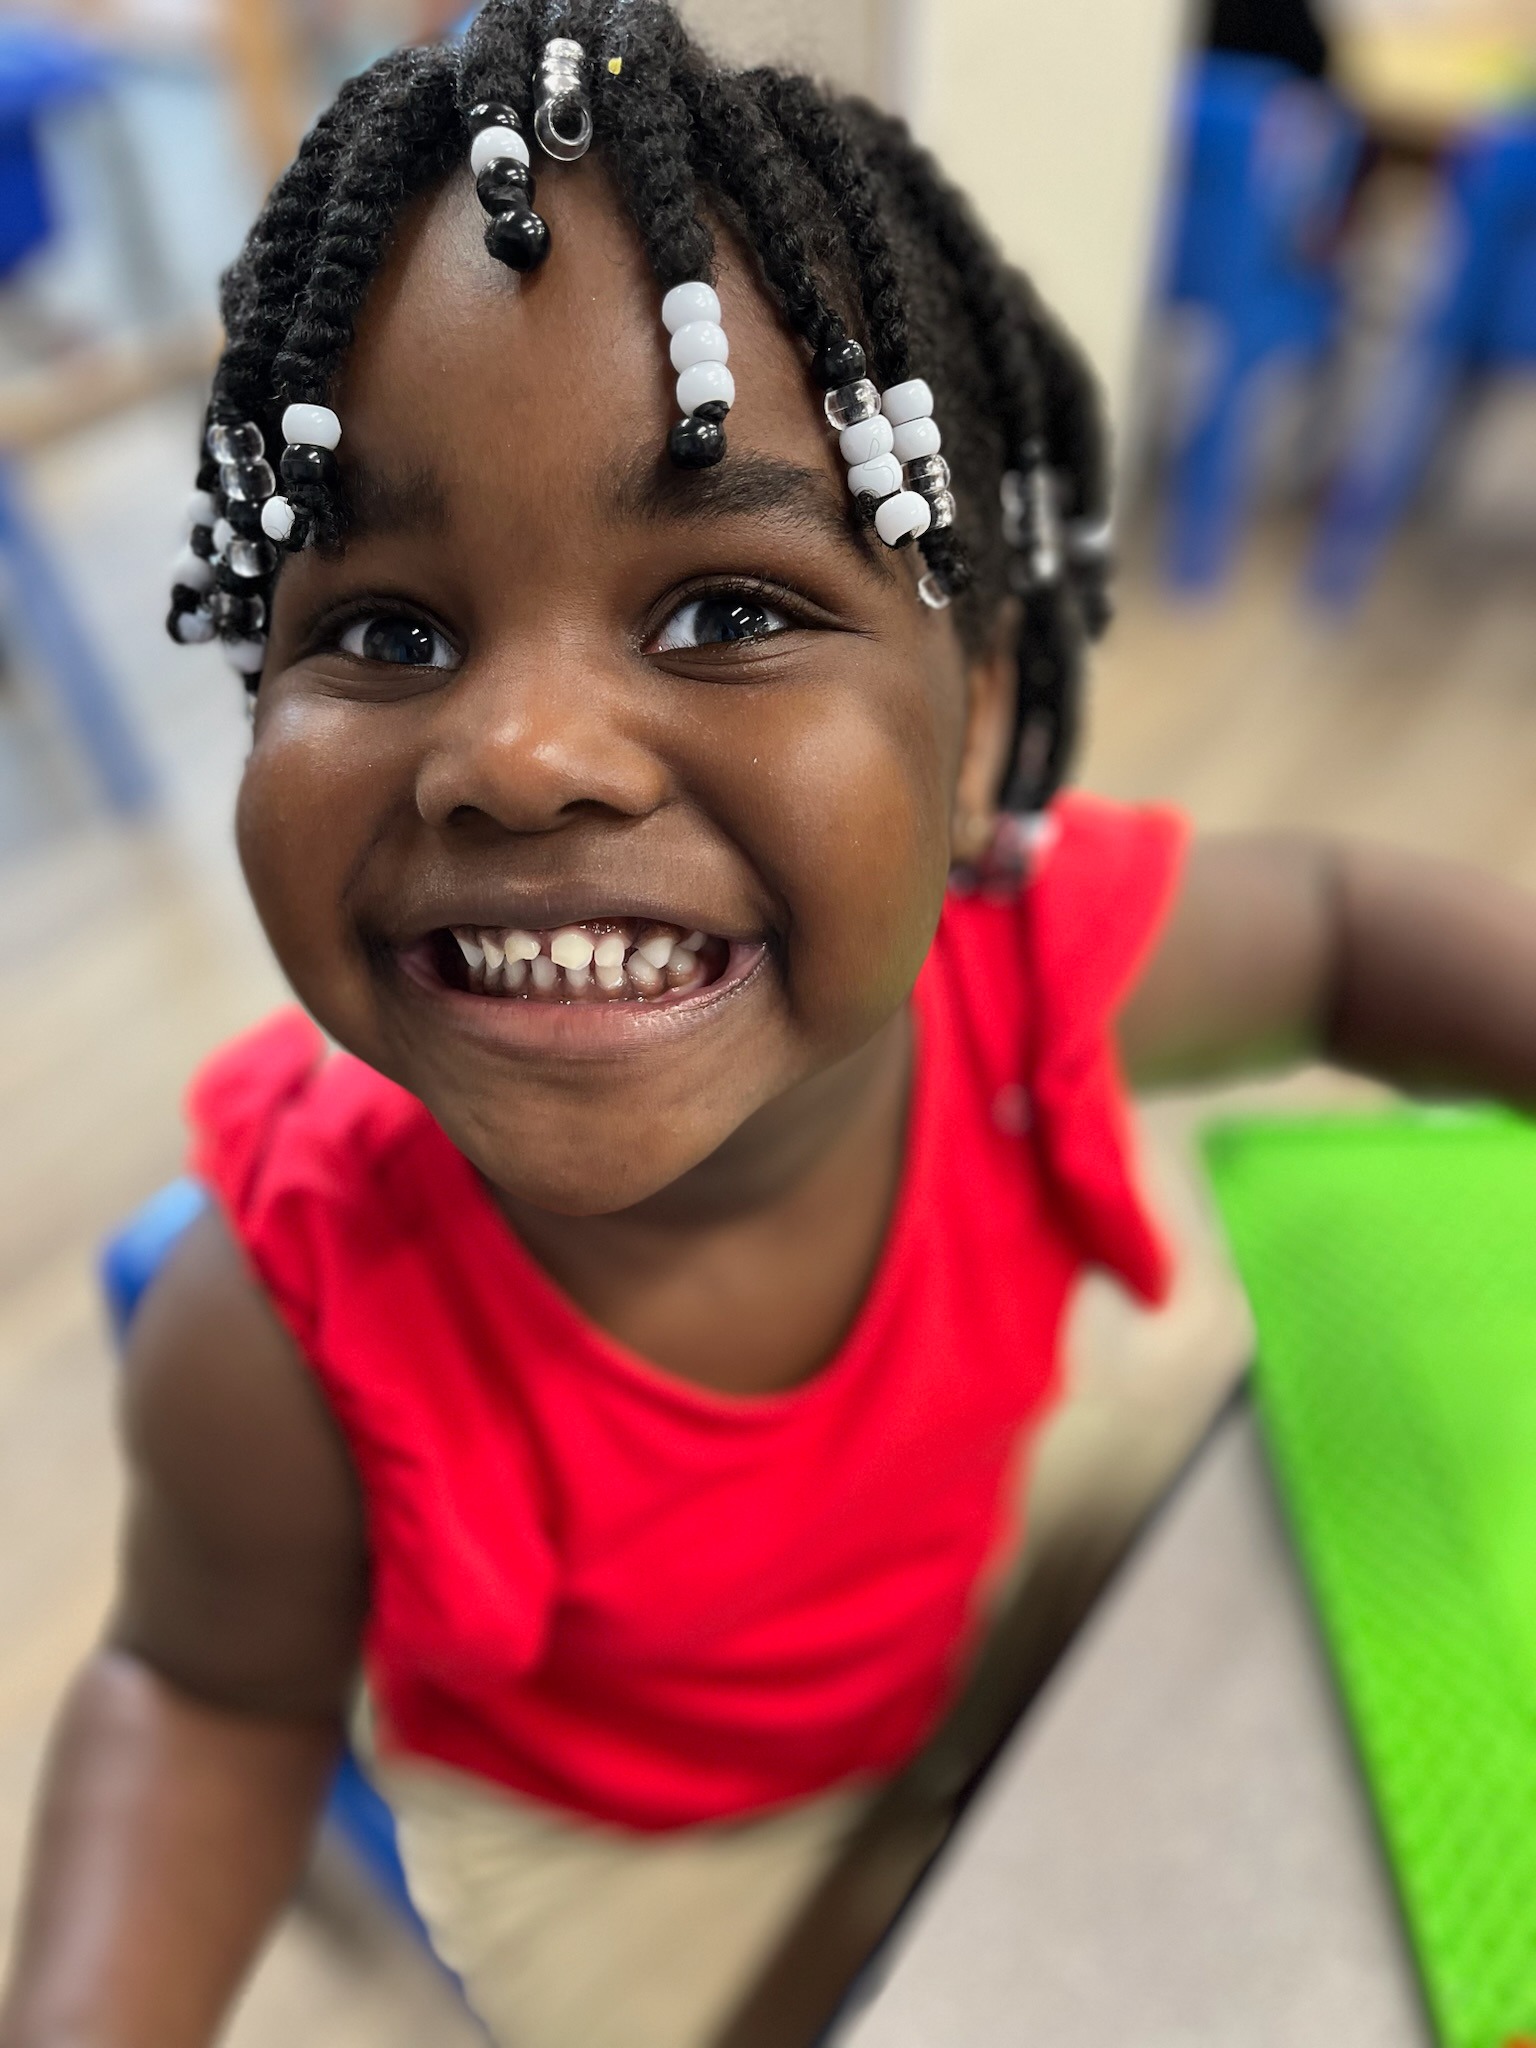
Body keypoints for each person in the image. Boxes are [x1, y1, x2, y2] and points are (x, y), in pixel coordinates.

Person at [4, 6, 1535, 2045]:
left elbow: (1346, 934)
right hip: (623, 1857)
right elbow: (204, 1700)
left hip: (958, 1632)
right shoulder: (278, 1325)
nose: (520, 754)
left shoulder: (1035, 965)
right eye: (382, 629)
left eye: (726, 609)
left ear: (976, 734)